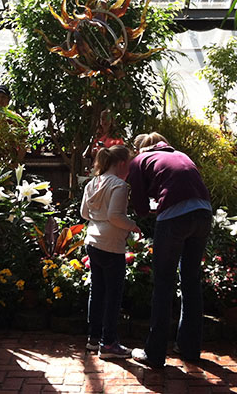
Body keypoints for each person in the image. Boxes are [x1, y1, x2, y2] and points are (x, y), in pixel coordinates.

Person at [127, 133, 212, 369]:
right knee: (191, 281)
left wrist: (148, 211)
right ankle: (190, 348)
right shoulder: (180, 155)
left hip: (174, 219)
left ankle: (154, 354)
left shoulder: (140, 160)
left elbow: (140, 205)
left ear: (140, 148)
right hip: (204, 214)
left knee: (163, 283)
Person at [80, 145, 141, 358]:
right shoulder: (119, 186)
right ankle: (108, 343)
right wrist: (133, 225)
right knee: (113, 295)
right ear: (122, 163)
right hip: (111, 245)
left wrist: (100, 218)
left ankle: (93, 338)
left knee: (96, 292)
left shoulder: (92, 183)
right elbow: (116, 216)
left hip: (92, 241)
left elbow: (84, 213)